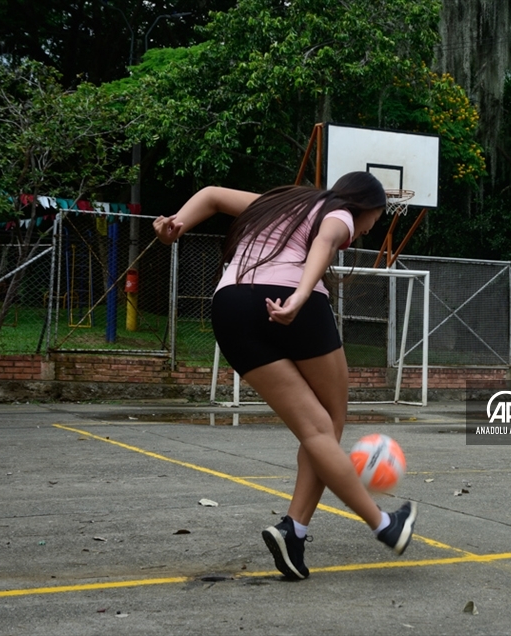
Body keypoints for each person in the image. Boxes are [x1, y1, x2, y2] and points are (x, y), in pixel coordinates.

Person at [152, 172, 417, 580]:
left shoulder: (281, 203)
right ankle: (383, 525)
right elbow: (325, 242)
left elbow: (213, 195)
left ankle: (293, 533)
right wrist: (300, 295)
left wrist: (177, 224)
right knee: (328, 422)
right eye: (375, 220)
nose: (367, 229)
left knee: (314, 428)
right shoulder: (340, 213)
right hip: (288, 298)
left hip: (231, 305)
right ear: (363, 206)